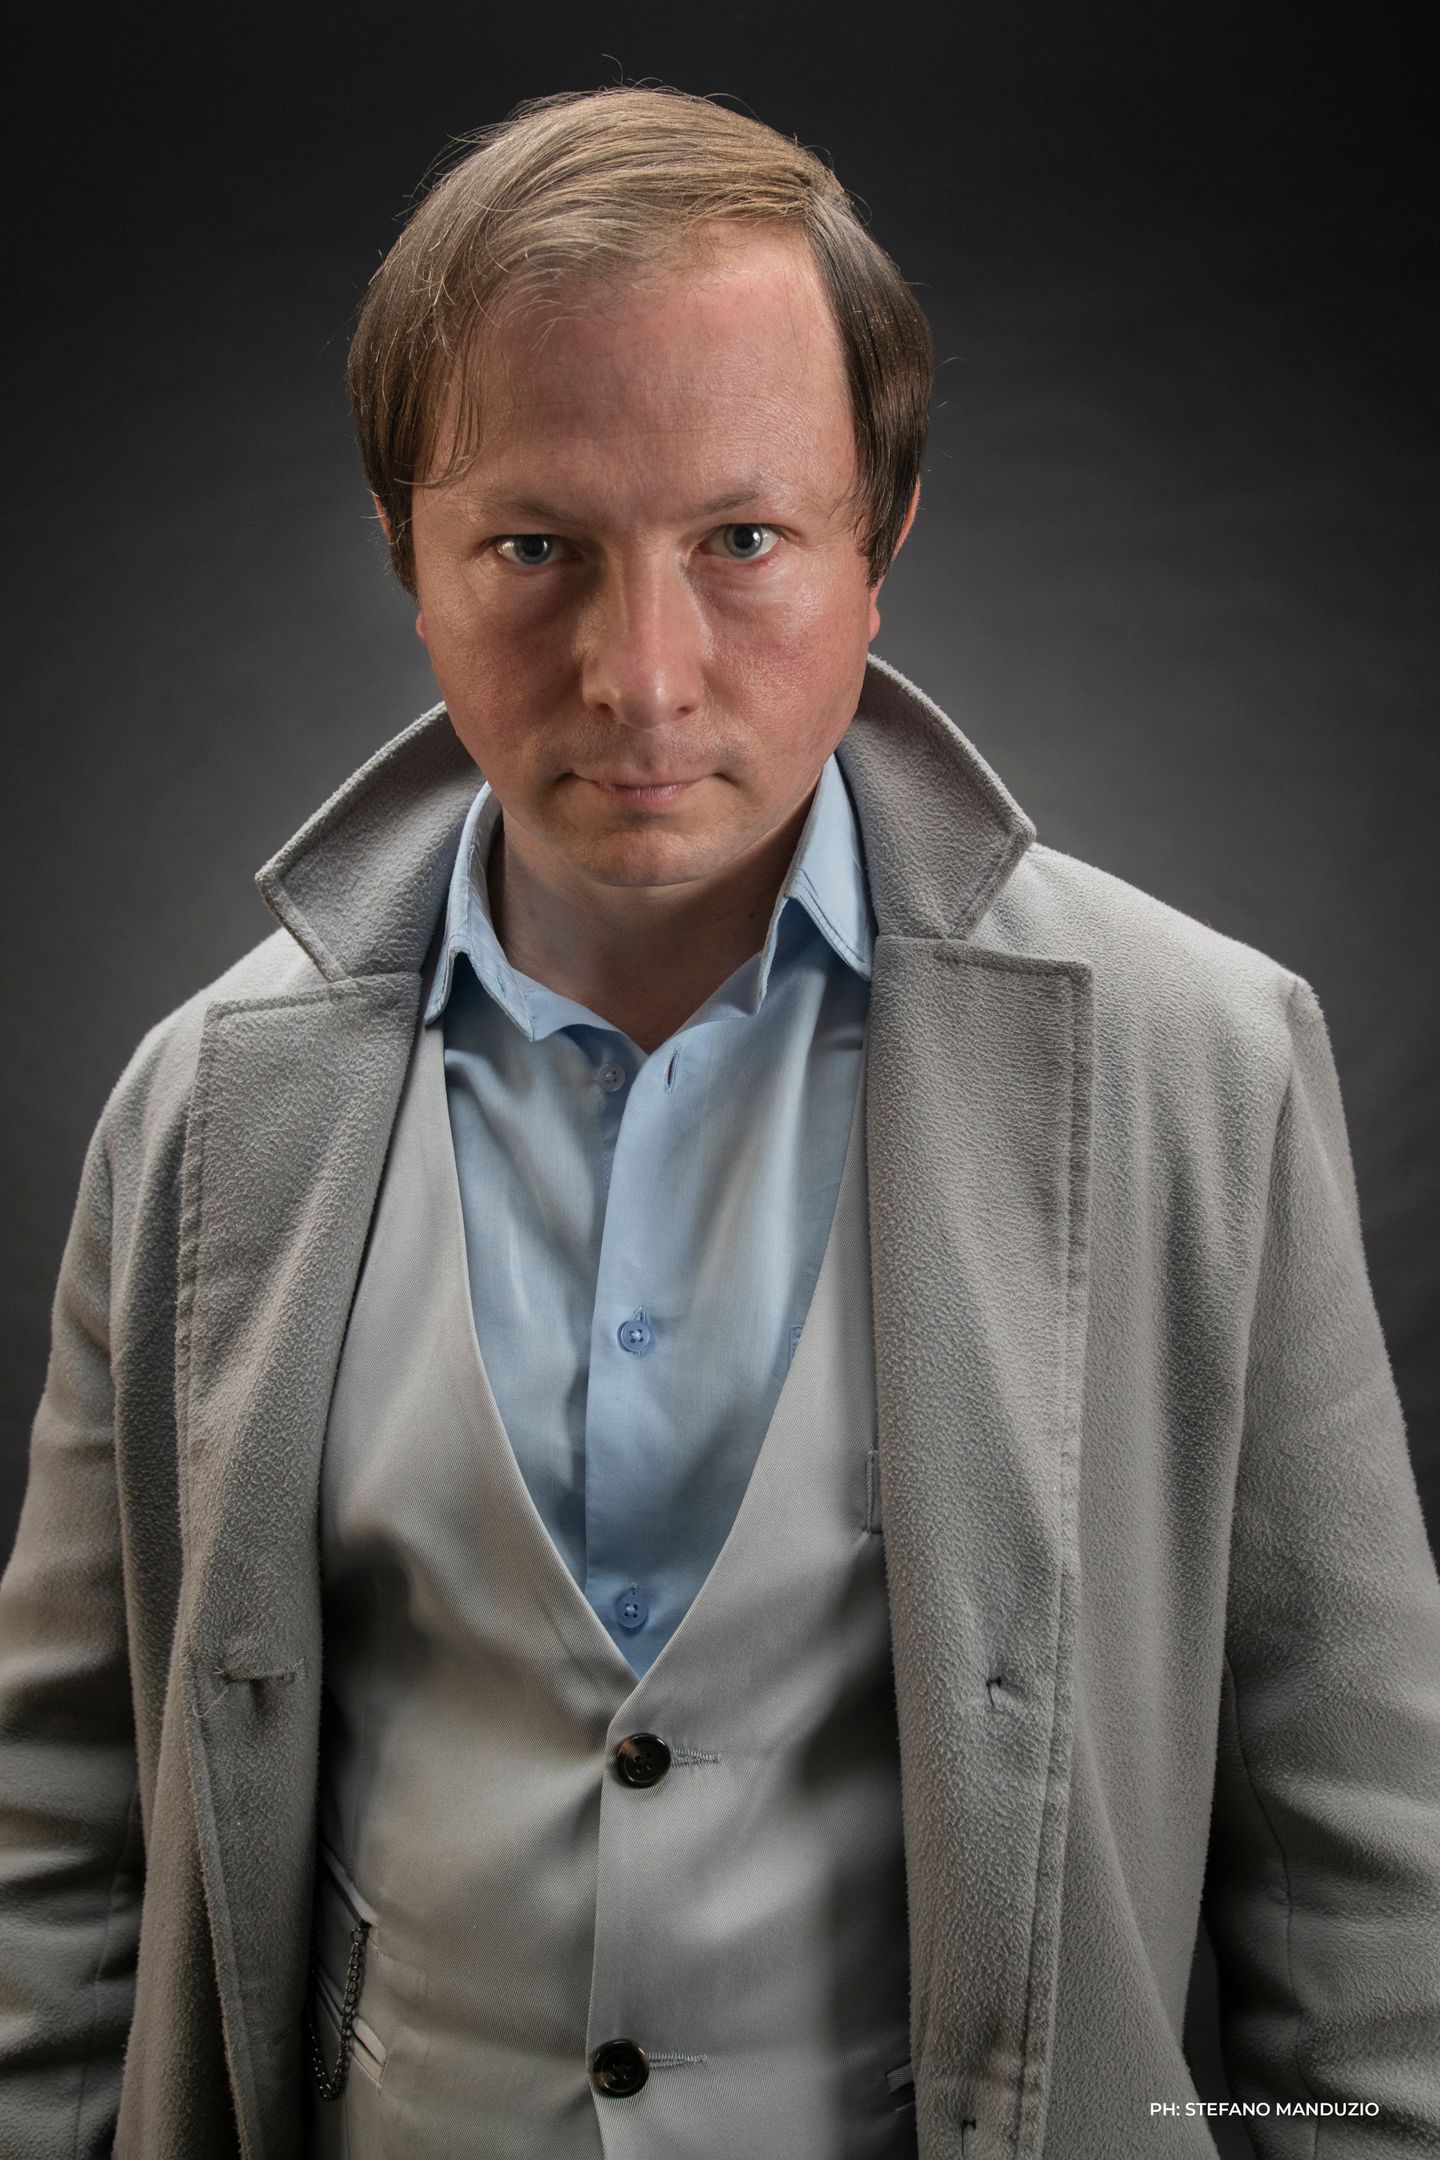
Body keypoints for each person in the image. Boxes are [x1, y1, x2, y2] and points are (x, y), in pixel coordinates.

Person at [1, 83, 1437, 2160]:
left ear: (883, 543)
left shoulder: (1205, 1064)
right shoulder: (201, 1111)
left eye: (743, 541)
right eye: (534, 549)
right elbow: (58, 1850)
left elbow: (1367, 1896)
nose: (643, 677)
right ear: (405, 552)